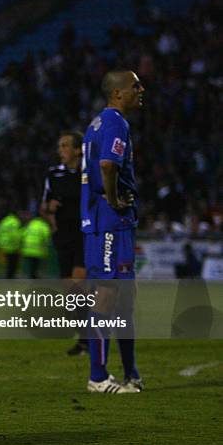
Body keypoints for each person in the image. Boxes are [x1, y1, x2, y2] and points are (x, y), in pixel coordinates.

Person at [81, 70, 145, 393]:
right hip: (108, 220)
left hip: (115, 223)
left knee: (125, 299)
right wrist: (113, 198)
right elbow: (108, 165)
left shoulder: (97, 123)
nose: (141, 89)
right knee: (107, 297)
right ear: (118, 93)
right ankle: (98, 376)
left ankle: (131, 373)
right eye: (135, 85)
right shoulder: (115, 122)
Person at [41, 131, 88, 355]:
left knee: (80, 283)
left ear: (78, 150)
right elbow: (44, 205)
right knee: (71, 292)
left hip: (84, 234)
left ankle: (93, 336)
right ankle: (85, 339)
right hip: (63, 237)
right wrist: (50, 214)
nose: (61, 150)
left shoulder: (90, 172)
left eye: (65, 146)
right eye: (60, 146)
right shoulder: (53, 174)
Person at [20, 213, 51, 279]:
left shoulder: (30, 224)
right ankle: (34, 276)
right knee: (35, 264)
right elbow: (46, 237)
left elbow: (23, 234)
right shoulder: (43, 225)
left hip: (28, 248)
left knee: (31, 264)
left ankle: (32, 275)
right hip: (37, 249)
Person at [0, 212, 22, 278]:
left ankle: (8, 276)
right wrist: (18, 245)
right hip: (13, 246)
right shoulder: (15, 222)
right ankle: (11, 277)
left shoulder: (4, 221)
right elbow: (15, 235)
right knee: (13, 263)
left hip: (5, 245)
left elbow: (0, 233)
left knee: (8, 263)